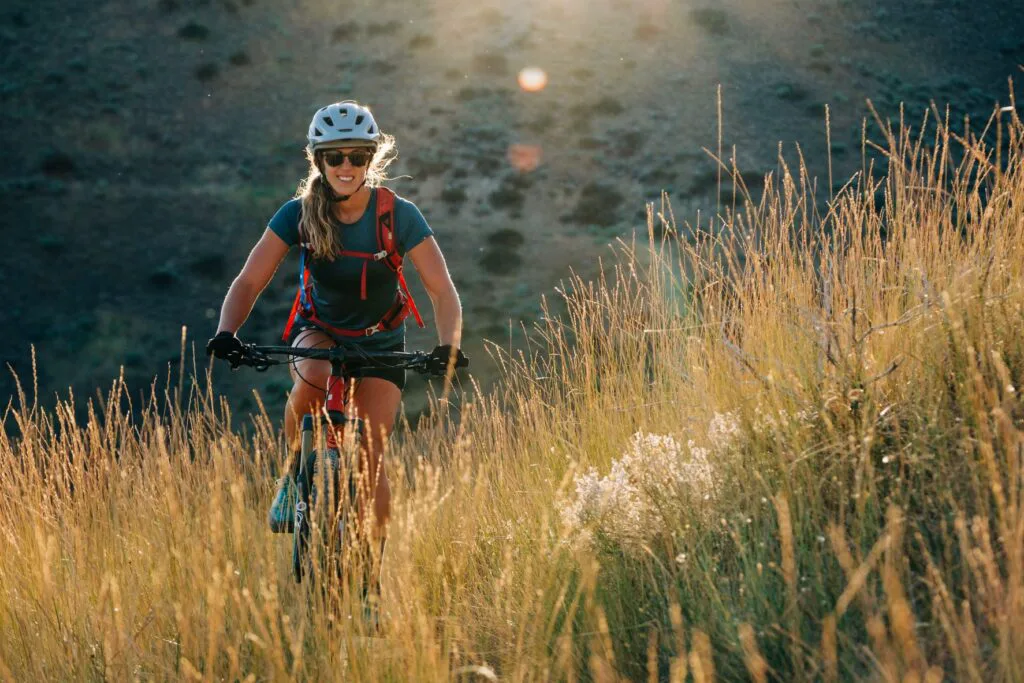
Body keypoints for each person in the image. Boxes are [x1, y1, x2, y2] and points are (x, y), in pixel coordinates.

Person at [206, 100, 466, 610]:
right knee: (312, 381)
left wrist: (447, 348)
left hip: (381, 341)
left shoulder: (398, 215)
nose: (345, 166)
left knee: (371, 460)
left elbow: (442, 291)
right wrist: (226, 331)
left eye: (356, 156)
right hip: (319, 330)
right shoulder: (297, 214)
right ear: (317, 161)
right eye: (334, 157)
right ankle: (294, 470)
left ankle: (369, 583)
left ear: (371, 158)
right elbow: (250, 279)